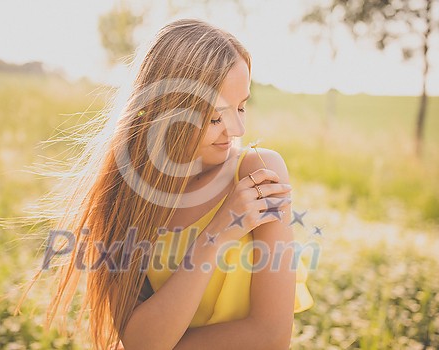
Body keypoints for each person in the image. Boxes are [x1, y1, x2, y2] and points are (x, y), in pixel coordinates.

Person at [16, 18, 313, 350]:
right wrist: (217, 234)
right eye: (215, 117)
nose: (237, 129)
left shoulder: (257, 174)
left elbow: (271, 337)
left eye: (242, 107)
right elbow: (139, 341)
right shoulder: (126, 197)